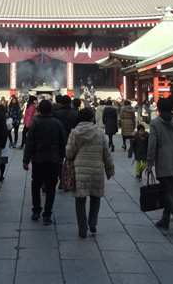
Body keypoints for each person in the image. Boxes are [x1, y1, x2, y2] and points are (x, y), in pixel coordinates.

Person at [65, 108, 114, 238]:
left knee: (80, 200)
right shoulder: (99, 133)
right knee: (95, 197)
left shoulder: (75, 133)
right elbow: (106, 153)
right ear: (92, 118)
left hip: (80, 170)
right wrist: (109, 169)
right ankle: (92, 223)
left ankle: (82, 228)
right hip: (96, 169)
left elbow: (69, 153)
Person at [146, 96, 173, 237]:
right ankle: (165, 220)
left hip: (163, 159)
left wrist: (150, 162)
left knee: (166, 191)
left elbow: (152, 144)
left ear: (158, 109)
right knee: (171, 191)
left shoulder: (155, 123)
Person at [23, 99, 66, 225]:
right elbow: (63, 142)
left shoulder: (35, 123)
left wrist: (26, 160)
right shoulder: (57, 124)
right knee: (51, 187)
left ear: (39, 110)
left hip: (38, 160)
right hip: (53, 160)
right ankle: (47, 214)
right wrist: (61, 158)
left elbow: (29, 143)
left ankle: (36, 210)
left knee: (36, 185)